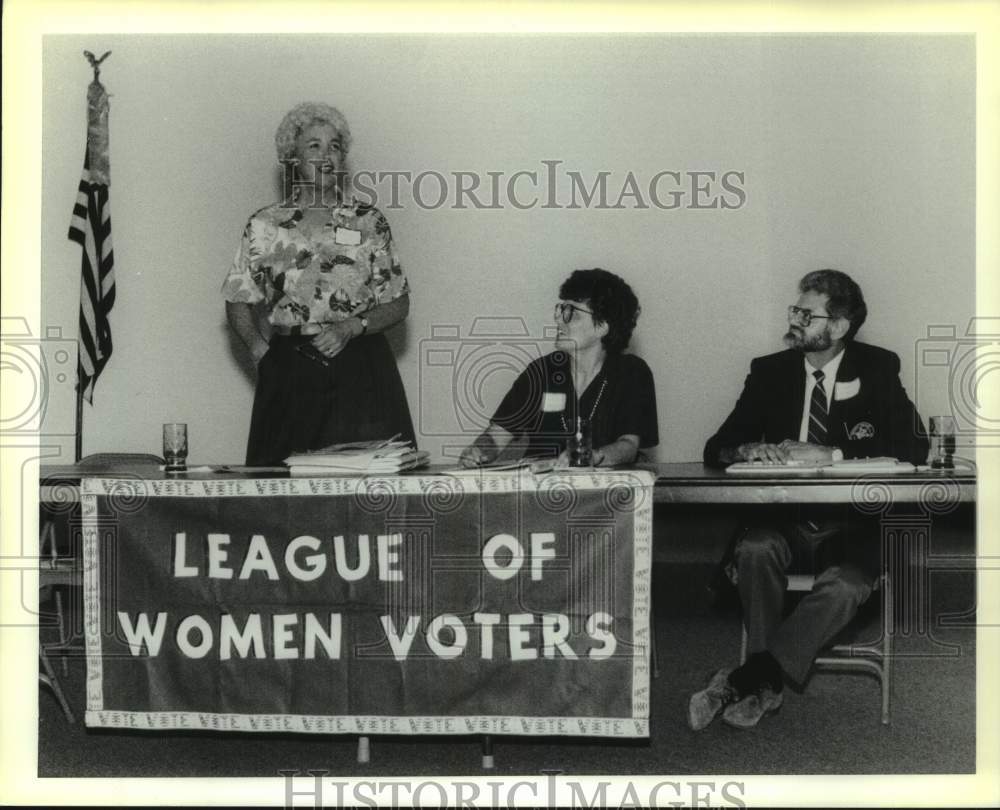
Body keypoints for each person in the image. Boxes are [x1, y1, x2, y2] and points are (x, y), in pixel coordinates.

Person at [689, 269, 928, 731]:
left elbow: (914, 446)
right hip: (784, 521)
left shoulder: (877, 367)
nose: (795, 319)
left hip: (852, 528)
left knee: (845, 586)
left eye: (806, 313)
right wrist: (743, 449)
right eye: (794, 310)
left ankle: (751, 678)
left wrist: (833, 452)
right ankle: (765, 684)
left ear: (837, 327)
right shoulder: (769, 371)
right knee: (754, 549)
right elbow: (715, 446)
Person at [222, 102, 415, 465]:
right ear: (291, 156)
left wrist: (352, 326)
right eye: (314, 145)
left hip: (362, 367)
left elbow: (399, 302)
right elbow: (237, 299)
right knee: (283, 494)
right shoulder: (264, 225)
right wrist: (259, 350)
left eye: (335, 147)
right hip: (290, 370)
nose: (326, 155)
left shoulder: (368, 222)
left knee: (370, 492)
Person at [459, 268, 658, 468]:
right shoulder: (540, 371)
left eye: (571, 312)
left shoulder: (631, 372)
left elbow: (628, 445)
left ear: (602, 327)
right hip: (538, 493)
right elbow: (496, 436)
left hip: (603, 496)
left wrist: (593, 456)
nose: (558, 319)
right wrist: (479, 449)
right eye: (561, 309)